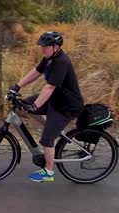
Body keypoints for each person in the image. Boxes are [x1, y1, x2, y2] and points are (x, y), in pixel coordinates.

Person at [9, 31, 84, 183]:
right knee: (23, 107)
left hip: (66, 106)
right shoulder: (49, 59)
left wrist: (36, 106)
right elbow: (36, 72)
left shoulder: (61, 62)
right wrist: (17, 86)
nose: (42, 49)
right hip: (56, 100)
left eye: (45, 46)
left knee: (46, 139)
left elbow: (49, 88)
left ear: (55, 47)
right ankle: (53, 129)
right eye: (41, 46)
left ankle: (49, 172)